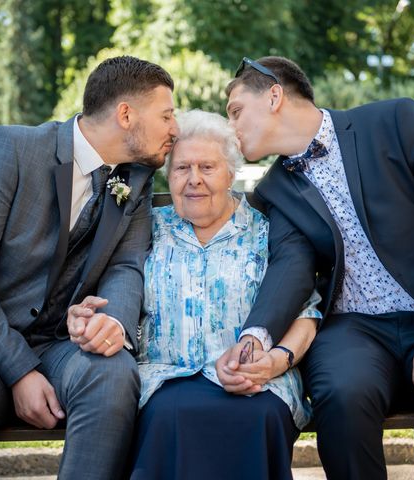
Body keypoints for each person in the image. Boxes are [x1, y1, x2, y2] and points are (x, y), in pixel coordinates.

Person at [216, 56, 414, 480]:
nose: (231, 128)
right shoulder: (274, 189)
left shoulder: (395, 122)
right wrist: (256, 336)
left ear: (274, 94)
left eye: (236, 111)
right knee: (342, 396)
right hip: (353, 331)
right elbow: (290, 269)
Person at [0, 55, 179, 479]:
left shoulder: (136, 178)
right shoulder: (10, 149)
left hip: (64, 345)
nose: (175, 129)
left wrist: (113, 325)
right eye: (166, 115)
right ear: (126, 114)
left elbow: (126, 267)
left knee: (113, 376)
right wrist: (19, 370)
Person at [75, 110, 320, 479]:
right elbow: (113, 291)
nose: (194, 180)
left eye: (207, 167)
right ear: (168, 176)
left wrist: (276, 362)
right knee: (169, 415)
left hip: (258, 381)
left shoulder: (266, 232)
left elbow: (306, 313)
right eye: (181, 168)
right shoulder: (147, 230)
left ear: (231, 172)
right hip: (167, 379)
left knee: (260, 415)